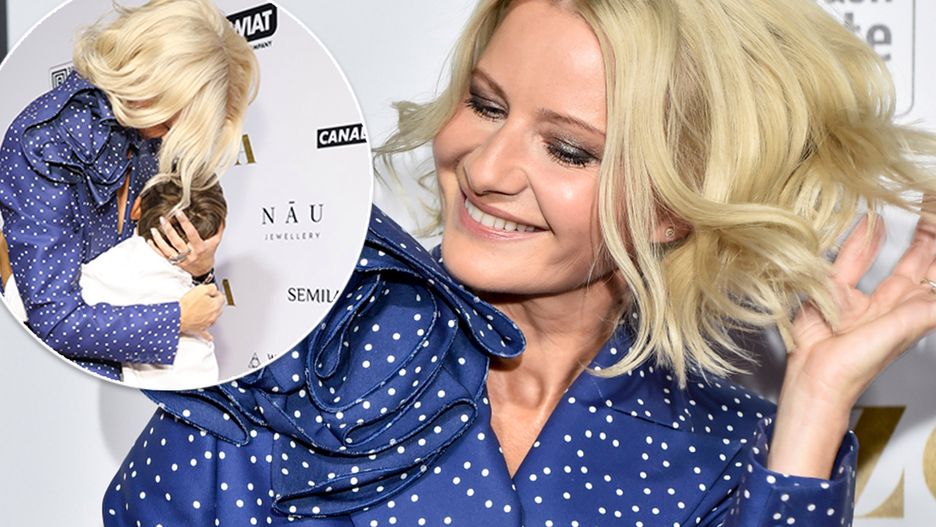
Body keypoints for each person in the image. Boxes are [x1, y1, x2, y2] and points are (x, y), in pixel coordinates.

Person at [104, 0, 936, 525]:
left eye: (569, 149)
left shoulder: (727, 450)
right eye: (485, 103)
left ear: (672, 205)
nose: (486, 167)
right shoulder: (288, 352)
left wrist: (814, 407)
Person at [0, 0, 259, 379]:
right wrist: (177, 318)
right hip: (55, 380)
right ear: (145, 86)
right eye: (172, 123)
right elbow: (55, 321)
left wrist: (200, 270)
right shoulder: (44, 142)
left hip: (142, 380)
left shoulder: (161, 136)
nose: (173, 137)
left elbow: (172, 290)